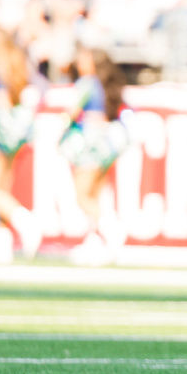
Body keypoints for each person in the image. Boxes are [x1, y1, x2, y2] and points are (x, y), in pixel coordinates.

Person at [0, 21, 42, 263]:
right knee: (3, 187)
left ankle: (25, 222)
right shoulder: (17, 61)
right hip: (15, 130)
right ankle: (1, 242)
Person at [58, 46, 128, 266]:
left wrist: (61, 129)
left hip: (89, 141)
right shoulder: (103, 84)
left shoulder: (87, 83)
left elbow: (73, 111)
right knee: (95, 193)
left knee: (82, 196)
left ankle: (111, 231)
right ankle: (94, 240)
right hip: (106, 141)